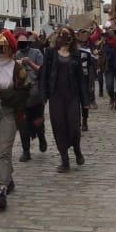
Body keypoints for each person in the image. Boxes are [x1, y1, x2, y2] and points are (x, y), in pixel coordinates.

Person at [0, 31, 30, 210]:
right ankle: (8, 178)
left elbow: (24, 95)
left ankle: (2, 190)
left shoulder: (18, 69)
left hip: (8, 111)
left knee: (4, 151)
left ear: (8, 48)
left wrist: (3, 93)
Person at [40, 27, 89, 173]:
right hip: (56, 96)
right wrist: (43, 95)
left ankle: (77, 149)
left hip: (72, 95)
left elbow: (81, 79)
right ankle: (65, 160)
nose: (64, 37)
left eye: (67, 34)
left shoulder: (76, 54)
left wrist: (85, 99)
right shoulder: (50, 53)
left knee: (74, 127)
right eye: (62, 34)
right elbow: (44, 74)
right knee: (59, 127)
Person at [14, 30, 47, 162]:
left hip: (36, 91)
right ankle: (26, 150)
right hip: (22, 93)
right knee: (23, 124)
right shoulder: (17, 54)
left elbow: (42, 71)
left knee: (37, 120)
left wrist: (30, 63)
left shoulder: (37, 53)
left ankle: (41, 136)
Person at [76, 29, 96, 129]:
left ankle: (84, 120)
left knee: (84, 101)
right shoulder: (72, 52)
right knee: (75, 102)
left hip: (85, 78)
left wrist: (91, 83)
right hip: (75, 80)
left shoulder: (88, 51)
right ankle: (77, 121)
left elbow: (91, 66)